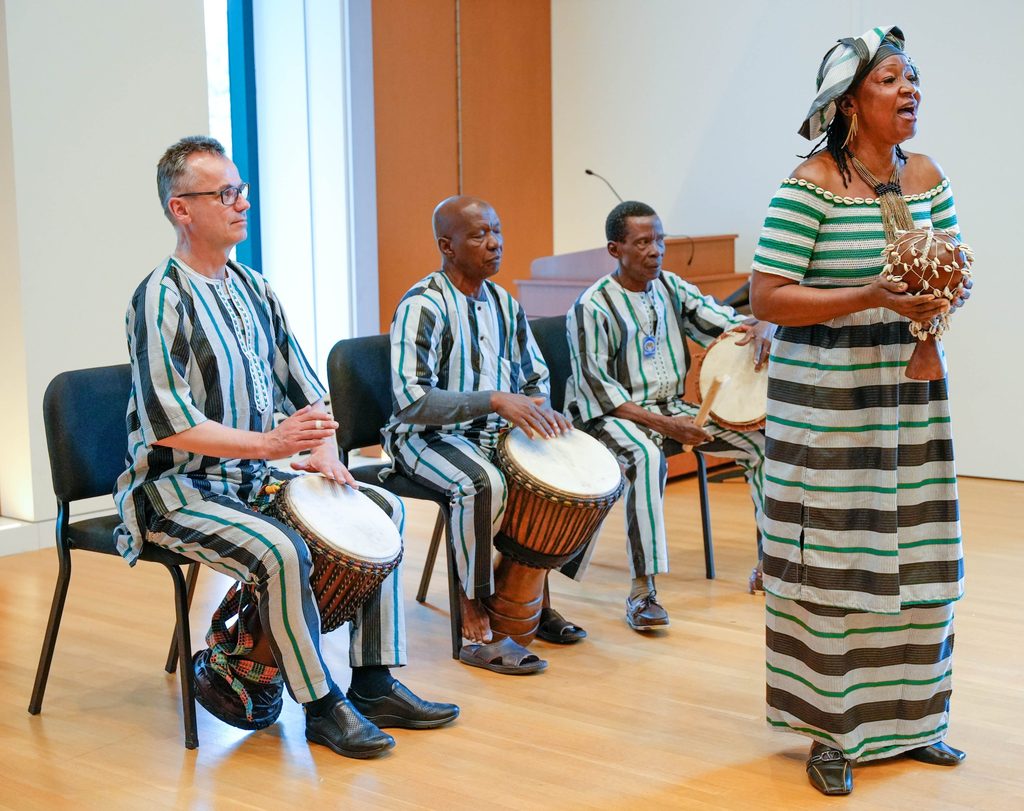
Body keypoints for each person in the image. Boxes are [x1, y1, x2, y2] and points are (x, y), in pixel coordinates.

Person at [114, 135, 457, 760]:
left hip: (248, 483)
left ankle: (374, 682)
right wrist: (270, 443)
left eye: (240, 190)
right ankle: (322, 706)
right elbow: (169, 423)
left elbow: (306, 389)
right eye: (224, 194)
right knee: (280, 549)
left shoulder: (255, 287)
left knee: (380, 512)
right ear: (181, 209)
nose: (241, 203)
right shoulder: (158, 298)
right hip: (175, 491)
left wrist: (325, 452)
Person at [749, 26, 968, 796]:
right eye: (890, 81)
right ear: (847, 102)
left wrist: (942, 293)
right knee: (838, 568)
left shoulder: (929, 175)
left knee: (918, 561)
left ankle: (915, 723)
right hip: (830, 411)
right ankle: (831, 734)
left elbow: (954, 264)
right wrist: (872, 294)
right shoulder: (807, 185)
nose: (910, 91)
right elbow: (768, 297)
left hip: (913, 400)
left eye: (913, 79)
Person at [383, 195, 584, 675]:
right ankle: (473, 609)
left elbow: (534, 379)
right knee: (482, 483)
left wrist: (545, 414)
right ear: (447, 246)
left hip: (493, 434)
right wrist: (494, 400)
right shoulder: (422, 305)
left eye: (497, 230)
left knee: (577, 473)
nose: (494, 243)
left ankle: (526, 592)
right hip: (424, 438)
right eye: (479, 235)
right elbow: (413, 401)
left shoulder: (504, 304)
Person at [564, 201, 772, 631]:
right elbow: (600, 394)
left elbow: (728, 327)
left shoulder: (672, 288)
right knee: (646, 456)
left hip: (672, 408)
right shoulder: (592, 307)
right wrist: (665, 426)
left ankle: (772, 561)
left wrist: (764, 323)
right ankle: (643, 592)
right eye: (643, 242)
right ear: (614, 249)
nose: (656, 250)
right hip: (611, 417)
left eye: (659, 240)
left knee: (761, 446)